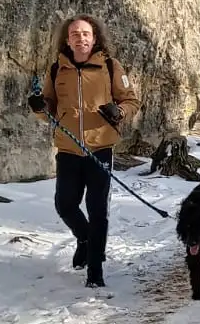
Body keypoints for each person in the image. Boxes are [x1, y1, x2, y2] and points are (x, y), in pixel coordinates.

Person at [27, 15, 140, 288]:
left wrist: (120, 111)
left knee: (97, 210)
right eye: (75, 34)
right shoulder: (57, 70)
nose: (81, 38)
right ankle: (86, 238)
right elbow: (49, 108)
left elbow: (131, 100)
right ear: (67, 40)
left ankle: (95, 272)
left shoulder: (110, 67)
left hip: (100, 148)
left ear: (95, 37)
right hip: (68, 149)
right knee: (65, 204)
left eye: (86, 33)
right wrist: (39, 107)